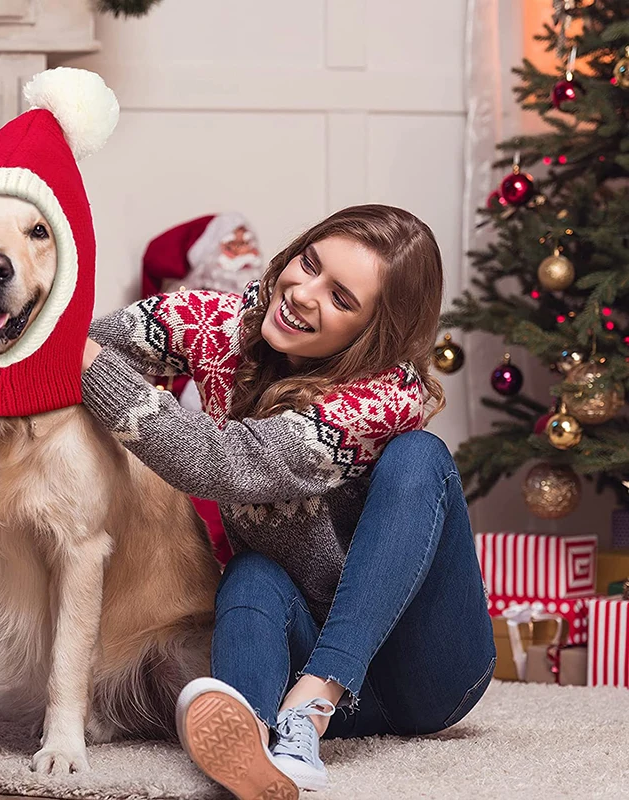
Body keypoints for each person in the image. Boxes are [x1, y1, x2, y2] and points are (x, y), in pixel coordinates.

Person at [80, 205, 496, 800]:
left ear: (371, 333)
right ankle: (250, 734)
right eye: (308, 263)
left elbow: (222, 464)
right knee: (249, 572)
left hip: (426, 671)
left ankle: (315, 699)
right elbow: (93, 341)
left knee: (420, 458)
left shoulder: (389, 394)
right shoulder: (219, 321)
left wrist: (95, 371)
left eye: (341, 298)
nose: (302, 293)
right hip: (301, 645)